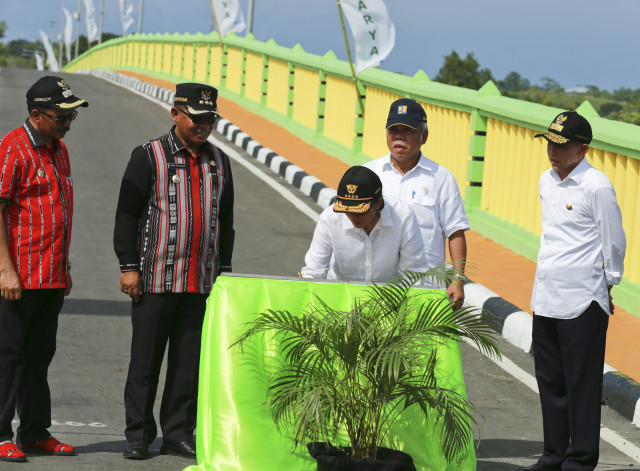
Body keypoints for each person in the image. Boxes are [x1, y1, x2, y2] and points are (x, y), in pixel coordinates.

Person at [113, 82, 234, 461]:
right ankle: (138, 434)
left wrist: (225, 272)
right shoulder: (148, 156)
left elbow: (225, 221)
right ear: (176, 114)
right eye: (196, 118)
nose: (203, 125)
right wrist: (129, 266)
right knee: (145, 363)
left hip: (201, 282)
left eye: (209, 118)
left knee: (188, 366)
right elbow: (127, 214)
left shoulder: (219, 160)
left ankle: (178, 433)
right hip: (154, 280)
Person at [519, 111, 626, 471]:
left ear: (583, 148)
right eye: (550, 142)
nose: (553, 151)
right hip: (546, 295)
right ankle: (553, 455)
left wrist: (607, 284)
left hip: (582, 300)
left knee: (582, 385)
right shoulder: (545, 181)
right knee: (550, 382)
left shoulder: (596, 186)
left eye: (562, 145)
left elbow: (614, 242)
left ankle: (580, 460)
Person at [0, 76, 88, 463]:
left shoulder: (58, 150)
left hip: (50, 275)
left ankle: (34, 431)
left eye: (71, 116)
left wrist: (63, 267)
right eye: (61, 116)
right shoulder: (12, 149)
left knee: (39, 355)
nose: (68, 123)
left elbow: (58, 212)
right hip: (16, 277)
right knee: (9, 355)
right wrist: (4, 270)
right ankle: (1, 433)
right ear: (36, 115)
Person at [364, 98, 469, 305]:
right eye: (394, 130)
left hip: (424, 288)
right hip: (377, 288)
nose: (399, 136)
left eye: (408, 130)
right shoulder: (369, 174)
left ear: (424, 136)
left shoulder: (441, 177)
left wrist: (457, 279)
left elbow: (455, 231)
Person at [301, 166, 428, 282]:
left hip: (389, 298)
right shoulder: (329, 219)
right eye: (347, 210)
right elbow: (314, 271)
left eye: (359, 211)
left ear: (378, 203)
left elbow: (413, 271)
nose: (352, 216)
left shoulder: (404, 216)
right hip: (340, 297)